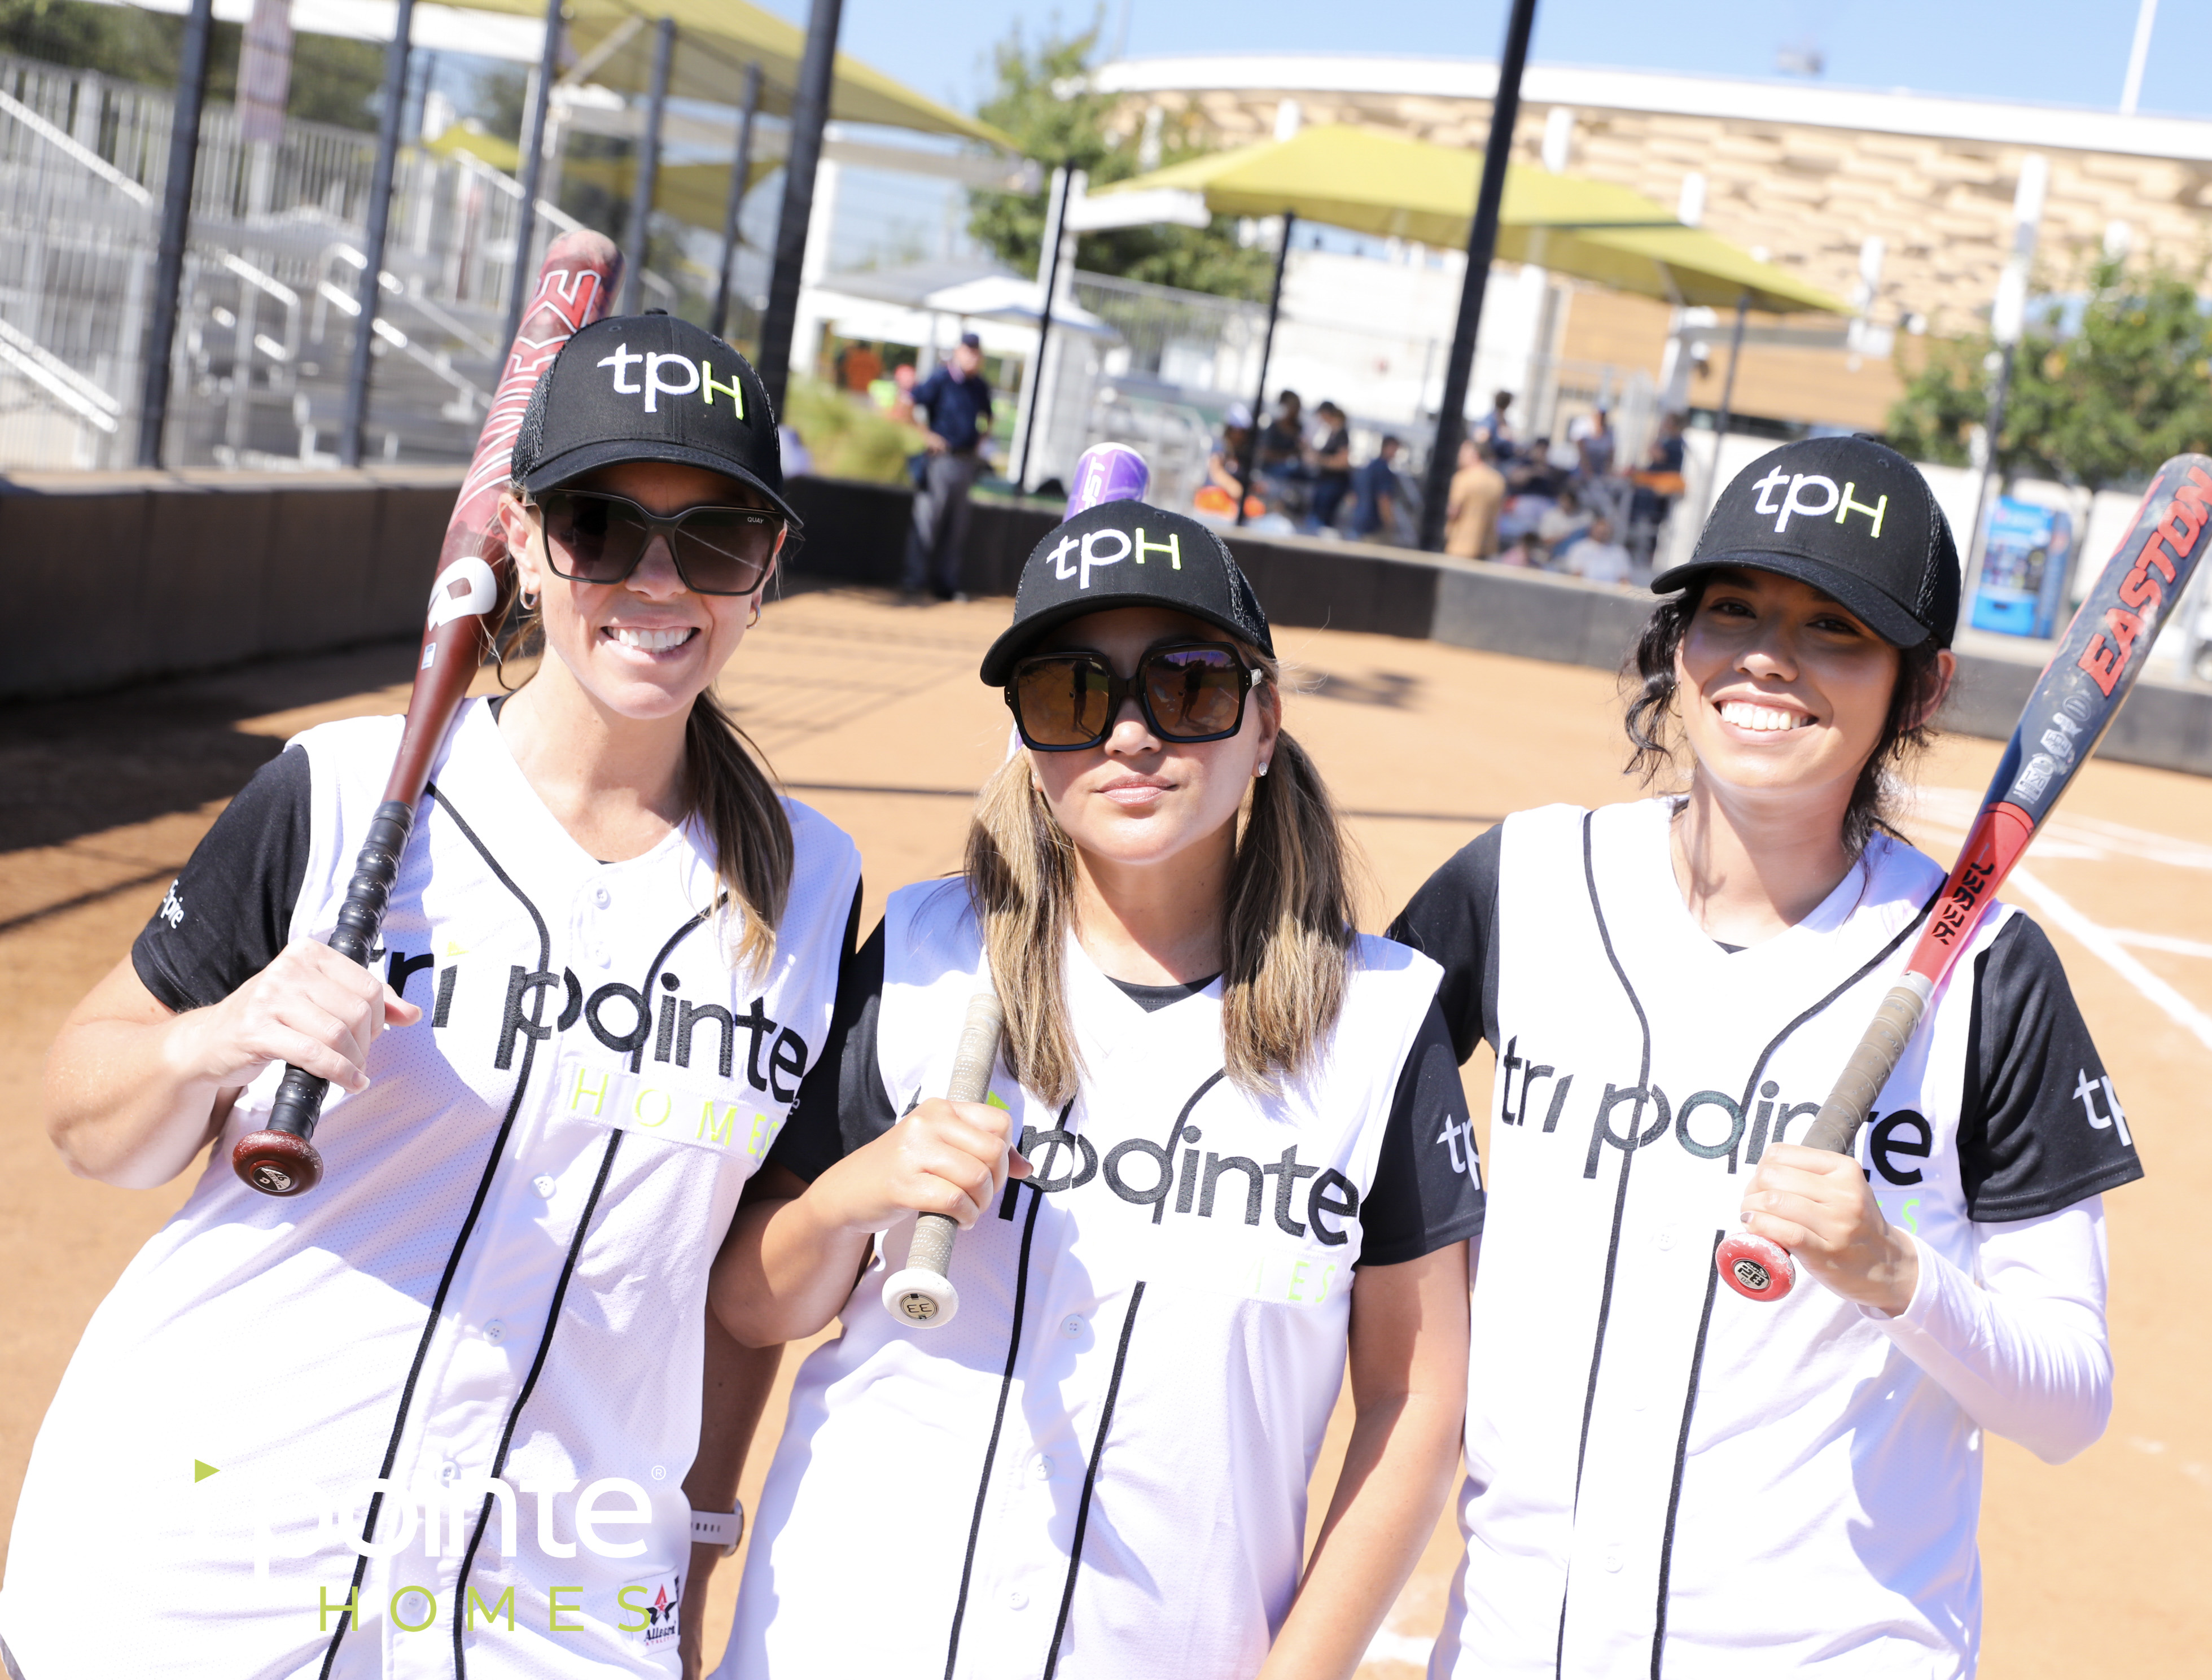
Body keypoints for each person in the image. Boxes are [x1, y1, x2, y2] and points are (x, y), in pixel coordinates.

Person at [0, 313, 862, 1678]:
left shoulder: (810, 885)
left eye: (713, 536)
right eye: (600, 523)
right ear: (521, 535)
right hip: (210, 1556)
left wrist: (694, 1543)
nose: (657, 579)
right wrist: (213, 1043)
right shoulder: (344, 791)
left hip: (551, 1600)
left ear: (764, 572)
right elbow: (82, 1115)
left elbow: (732, 1277)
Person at [1392, 435, 2136, 1678]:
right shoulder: (1520, 882)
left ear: (1924, 685)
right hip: (1518, 1643)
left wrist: (1896, 1271)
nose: (1767, 660)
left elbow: (2070, 1401)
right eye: (1731, 608)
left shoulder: (1991, 975)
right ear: (1678, 646)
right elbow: (1296, 1107)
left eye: (1835, 628)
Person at [712, 498, 1482, 1678]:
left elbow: (1416, 1407)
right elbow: (757, 1303)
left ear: (1266, 722)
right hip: (852, 1631)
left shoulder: (1379, 1021)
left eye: (1188, 686)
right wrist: (851, 1196)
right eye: (1073, 695)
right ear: (1027, 736)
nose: (1130, 736)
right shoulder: (928, 951)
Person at [904, 331, 993, 601]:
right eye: (968, 351)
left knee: (957, 527)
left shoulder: (979, 385)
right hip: (940, 460)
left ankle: (946, 585)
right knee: (927, 521)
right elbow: (910, 401)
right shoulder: (941, 378)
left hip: (966, 462)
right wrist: (926, 434)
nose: (972, 356)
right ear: (958, 351)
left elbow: (989, 417)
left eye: (976, 352)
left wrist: (980, 441)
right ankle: (913, 581)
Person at [1445, 436, 1507, 560]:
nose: (1460, 456)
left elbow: (1454, 511)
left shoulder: (1463, 478)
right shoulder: (1498, 480)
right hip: (1487, 546)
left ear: (1475, 455)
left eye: (1463, 452)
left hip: (1461, 545)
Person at [1306, 399, 1353, 533]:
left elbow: (1343, 462)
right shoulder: (1331, 433)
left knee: (1323, 524)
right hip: (1325, 483)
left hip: (1334, 485)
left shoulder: (1342, 434)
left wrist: (1319, 460)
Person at [1350, 432, 1407, 541]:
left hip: (1360, 522)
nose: (1396, 453)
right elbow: (1384, 499)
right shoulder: (1384, 470)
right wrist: (1389, 524)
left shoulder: (1369, 467)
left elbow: (1353, 497)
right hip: (1374, 525)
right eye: (1395, 449)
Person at [1562, 511, 1635, 586]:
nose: (1602, 533)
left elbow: (1624, 579)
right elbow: (1575, 576)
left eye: (1605, 532)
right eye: (1600, 531)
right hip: (1585, 590)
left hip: (1612, 593)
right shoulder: (1579, 548)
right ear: (1592, 530)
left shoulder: (1619, 552)